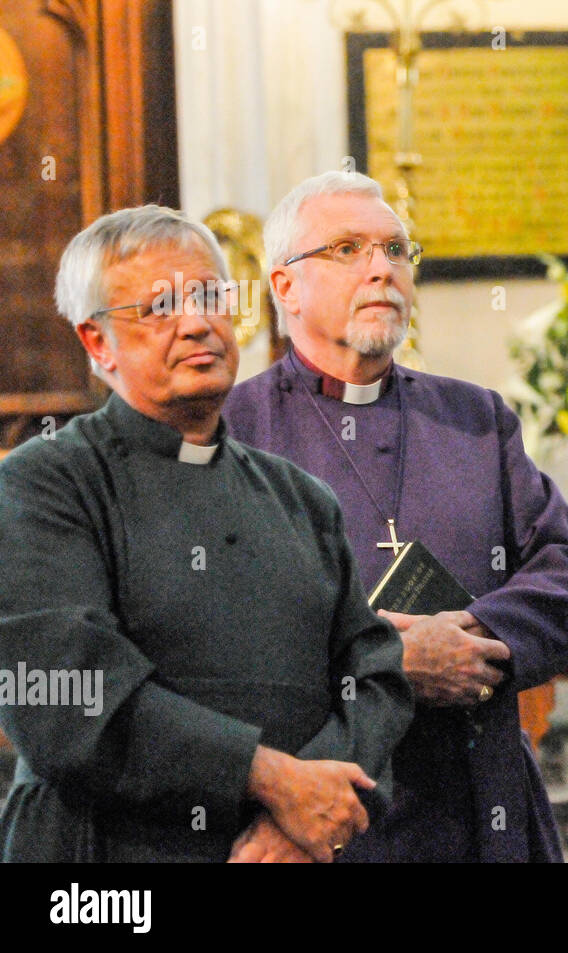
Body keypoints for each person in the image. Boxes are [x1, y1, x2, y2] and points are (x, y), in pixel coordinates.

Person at [0, 205, 413, 863]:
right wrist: (276, 779)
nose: (196, 322)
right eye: (159, 306)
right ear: (97, 341)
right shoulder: (45, 483)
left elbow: (375, 677)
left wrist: (303, 819)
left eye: (210, 296)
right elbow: (62, 690)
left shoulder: (301, 498)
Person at [224, 172, 568, 862]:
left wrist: (471, 638)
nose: (381, 268)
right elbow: (215, 636)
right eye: (347, 249)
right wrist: (394, 661)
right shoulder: (231, 431)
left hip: (475, 805)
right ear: (284, 288)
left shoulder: (473, 417)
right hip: (320, 811)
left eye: (397, 250)